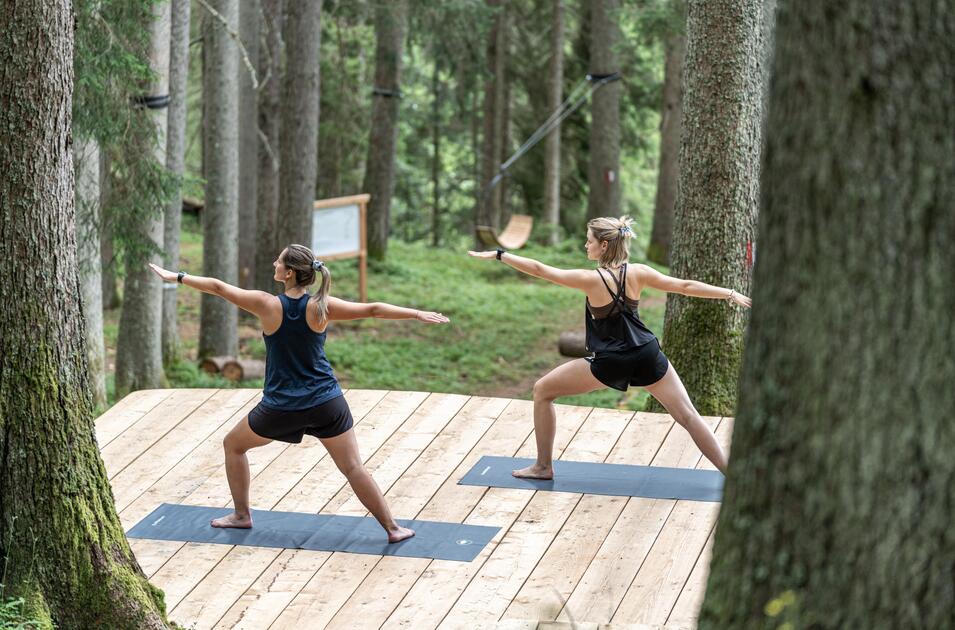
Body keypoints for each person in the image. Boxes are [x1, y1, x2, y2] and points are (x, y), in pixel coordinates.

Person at [149, 243, 449, 543]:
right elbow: (373, 309)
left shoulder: (266, 304)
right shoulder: (322, 307)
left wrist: (175, 276)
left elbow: (218, 287)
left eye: (278, 261)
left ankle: (241, 515)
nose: (274, 263)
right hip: (327, 403)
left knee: (233, 445)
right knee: (353, 467)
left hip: (282, 408)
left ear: (289, 273)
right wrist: (417, 313)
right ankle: (393, 528)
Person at [468, 216, 751, 477]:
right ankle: (732, 475)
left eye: (589, 241)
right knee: (689, 416)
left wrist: (500, 255)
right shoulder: (638, 273)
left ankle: (543, 466)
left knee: (543, 390)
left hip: (611, 361)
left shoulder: (591, 279)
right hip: (647, 353)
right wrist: (730, 293)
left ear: (603, 245)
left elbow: (542, 270)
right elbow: (686, 286)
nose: (586, 245)